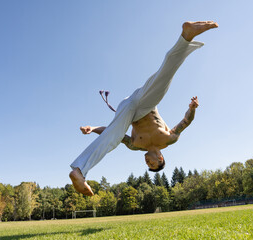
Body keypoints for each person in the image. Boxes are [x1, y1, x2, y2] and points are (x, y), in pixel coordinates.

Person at [69, 21, 218, 196]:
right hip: (146, 102)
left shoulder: (135, 145)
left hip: (128, 111)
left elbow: (110, 132)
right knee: (165, 75)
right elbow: (186, 122)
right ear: (160, 158)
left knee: (114, 137)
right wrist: (192, 108)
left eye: (148, 165)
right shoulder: (168, 139)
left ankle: (79, 171)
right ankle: (186, 36)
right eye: (152, 164)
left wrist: (93, 128)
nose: (148, 162)